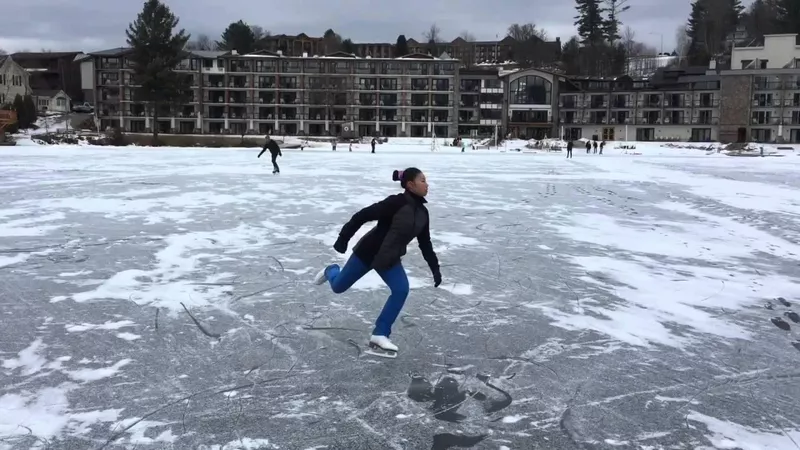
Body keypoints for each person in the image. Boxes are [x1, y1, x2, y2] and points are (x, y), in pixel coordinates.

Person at [313, 168, 442, 357]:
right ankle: (331, 270)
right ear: (410, 184)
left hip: (389, 259)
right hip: (368, 253)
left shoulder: (423, 214)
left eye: (426, 180)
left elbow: (425, 244)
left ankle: (380, 334)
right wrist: (343, 238)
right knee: (338, 287)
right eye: (423, 180)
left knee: (401, 290)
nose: (427, 184)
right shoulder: (396, 203)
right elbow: (362, 215)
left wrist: (435, 269)